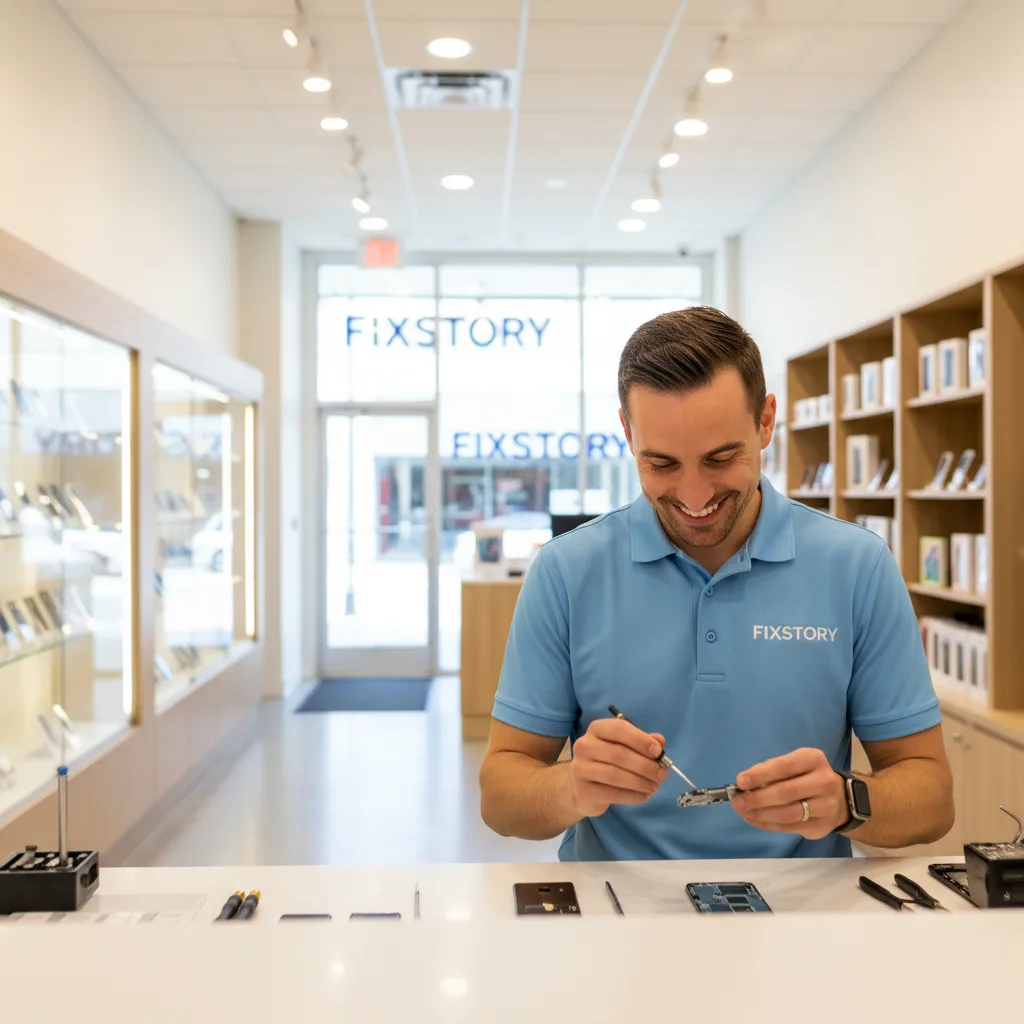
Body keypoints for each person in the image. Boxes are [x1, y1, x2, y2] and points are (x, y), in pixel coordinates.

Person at [479, 306, 954, 861]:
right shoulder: (565, 571)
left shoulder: (857, 567)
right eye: (661, 464)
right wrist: (573, 786)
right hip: (616, 918)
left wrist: (848, 801)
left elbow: (933, 798)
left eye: (721, 458)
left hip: (800, 920)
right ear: (628, 434)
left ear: (766, 421)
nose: (695, 496)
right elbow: (500, 795)